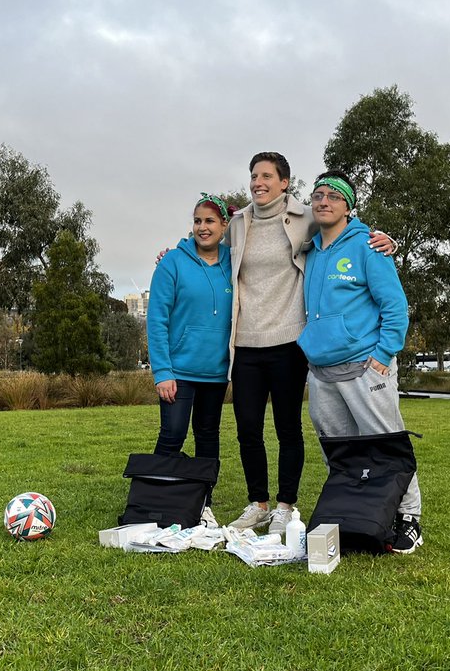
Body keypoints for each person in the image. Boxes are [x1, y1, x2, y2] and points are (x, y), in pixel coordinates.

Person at [225, 152, 395, 535]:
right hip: (246, 343)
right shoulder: (238, 223)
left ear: (284, 182)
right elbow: (208, 246)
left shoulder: (306, 216)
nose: (258, 183)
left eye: (266, 176)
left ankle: (285, 506)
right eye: (254, 176)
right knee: (248, 429)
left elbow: (345, 227)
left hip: (289, 342)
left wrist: (387, 239)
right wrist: (173, 253)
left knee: (288, 429)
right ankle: (257, 504)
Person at [297, 171, 422, 554]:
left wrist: (384, 354)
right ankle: (355, 516)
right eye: (318, 195)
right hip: (321, 370)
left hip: (366, 367)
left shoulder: (368, 245)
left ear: (349, 207)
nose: (323, 201)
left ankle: (409, 518)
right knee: (339, 453)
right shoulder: (310, 250)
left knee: (386, 445)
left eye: (333, 196)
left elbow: (395, 306)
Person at [147, 193, 234, 527]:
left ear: (224, 225)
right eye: (197, 221)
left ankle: (203, 502)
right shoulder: (172, 262)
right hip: (178, 372)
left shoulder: (234, 262)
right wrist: (162, 371)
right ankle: (155, 500)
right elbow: (157, 320)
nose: (202, 227)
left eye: (210, 221)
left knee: (208, 437)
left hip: (216, 372)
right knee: (172, 434)